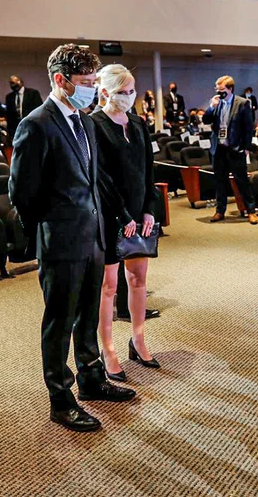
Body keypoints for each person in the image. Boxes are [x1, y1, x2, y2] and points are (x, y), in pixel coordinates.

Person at [9, 44, 136, 433]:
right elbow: (21, 193)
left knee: (87, 317)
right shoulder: (36, 123)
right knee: (59, 322)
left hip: (93, 237)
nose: (91, 89)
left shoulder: (83, 121)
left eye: (94, 82)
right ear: (60, 81)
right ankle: (60, 400)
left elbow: (95, 179)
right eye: (84, 83)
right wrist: (50, 231)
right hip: (61, 242)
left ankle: (92, 379)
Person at [90, 64, 159, 382]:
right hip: (109, 214)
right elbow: (101, 178)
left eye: (132, 91)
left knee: (138, 280)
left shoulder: (138, 123)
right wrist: (124, 216)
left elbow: (148, 170)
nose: (130, 97)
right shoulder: (94, 124)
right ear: (105, 92)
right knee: (108, 287)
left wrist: (147, 210)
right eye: (123, 92)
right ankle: (108, 350)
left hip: (138, 213)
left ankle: (139, 339)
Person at [202, 75, 258, 225]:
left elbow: (248, 127)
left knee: (242, 181)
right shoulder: (216, 103)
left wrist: (246, 147)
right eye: (217, 89)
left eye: (221, 89)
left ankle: (251, 211)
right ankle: (220, 211)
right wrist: (211, 107)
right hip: (219, 148)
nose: (219, 92)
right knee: (220, 181)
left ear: (230, 89)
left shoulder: (242, 103)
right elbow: (205, 120)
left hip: (235, 148)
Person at [5, 76, 43, 143]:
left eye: (13, 83)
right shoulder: (9, 97)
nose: (12, 85)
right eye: (10, 83)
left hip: (31, 127)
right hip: (16, 129)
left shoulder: (33, 93)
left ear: (20, 82)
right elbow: (9, 116)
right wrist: (9, 133)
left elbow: (39, 110)